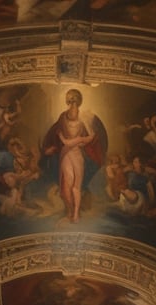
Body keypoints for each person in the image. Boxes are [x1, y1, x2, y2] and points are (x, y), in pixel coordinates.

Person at [42, 89, 107, 223]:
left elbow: (90, 138)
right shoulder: (62, 117)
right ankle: (70, 211)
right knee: (66, 187)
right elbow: (59, 137)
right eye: (70, 101)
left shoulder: (84, 119)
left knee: (76, 186)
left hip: (77, 155)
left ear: (79, 102)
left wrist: (85, 139)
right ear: (67, 102)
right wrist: (78, 140)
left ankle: (76, 213)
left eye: (75, 101)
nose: (73, 104)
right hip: (66, 154)